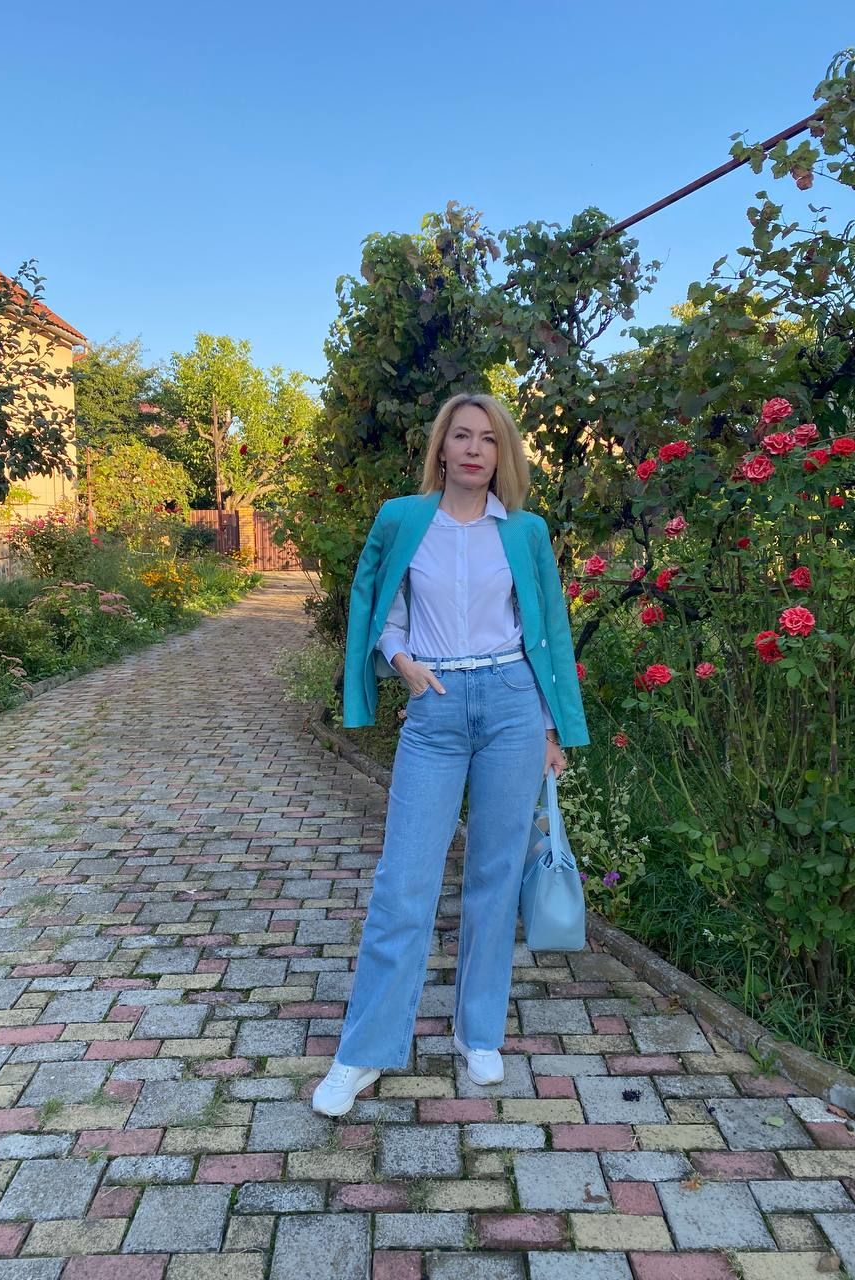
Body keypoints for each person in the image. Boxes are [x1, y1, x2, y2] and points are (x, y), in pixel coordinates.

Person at [311, 392, 589, 1117]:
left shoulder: (525, 531)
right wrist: (400, 660)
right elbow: (379, 603)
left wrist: (552, 730)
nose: (473, 449)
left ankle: (479, 1032)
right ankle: (363, 1051)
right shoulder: (403, 519)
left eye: (487, 440)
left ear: (502, 454)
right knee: (403, 882)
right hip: (434, 704)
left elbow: (547, 626)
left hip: (512, 705)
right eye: (461, 436)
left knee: (494, 877)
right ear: (441, 447)